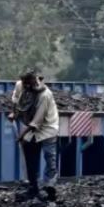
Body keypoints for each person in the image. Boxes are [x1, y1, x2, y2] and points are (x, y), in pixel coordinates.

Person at [14, 71, 60, 200]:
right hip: (32, 126)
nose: (26, 86)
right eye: (24, 84)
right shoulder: (21, 85)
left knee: (49, 157)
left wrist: (21, 135)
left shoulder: (45, 95)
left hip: (47, 127)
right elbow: (16, 99)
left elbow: (37, 122)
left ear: (34, 82)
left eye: (29, 84)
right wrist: (13, 113)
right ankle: (33, 188)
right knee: (29, 154)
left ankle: (50, 189)